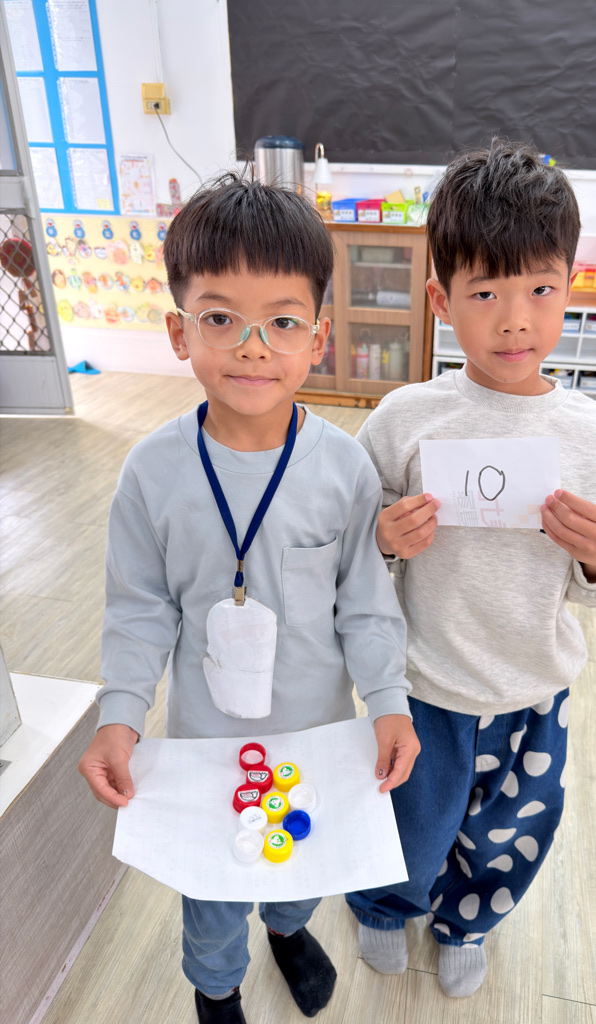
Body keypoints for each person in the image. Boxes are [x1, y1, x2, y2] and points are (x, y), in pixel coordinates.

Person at [78, 172, 420, 1023]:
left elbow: (365, 603)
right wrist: (120, 715)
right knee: (212, 892)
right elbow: (139, 608)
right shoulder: (151, 473)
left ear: (319, 337)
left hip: (316, 737)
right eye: (221, 318)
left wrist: (388, 701)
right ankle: (216, 987)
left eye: (283, 322)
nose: (253, 347)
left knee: (300, 868)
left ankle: (290, 930)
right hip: (205, 743)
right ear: (179, 331)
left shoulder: (344, 470)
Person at [346, 141, 596, 998]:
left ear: (570, 287)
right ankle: (383, 905)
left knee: (511, 835)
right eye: (485, 294)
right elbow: (348, 547)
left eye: (540, 290)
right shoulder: (405, 418)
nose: (515, 321)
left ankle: (467, 922)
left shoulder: (594, 439)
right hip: (424, 685)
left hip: (533, 692)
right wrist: (383, 539)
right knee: (410, 819)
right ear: (441, 301)